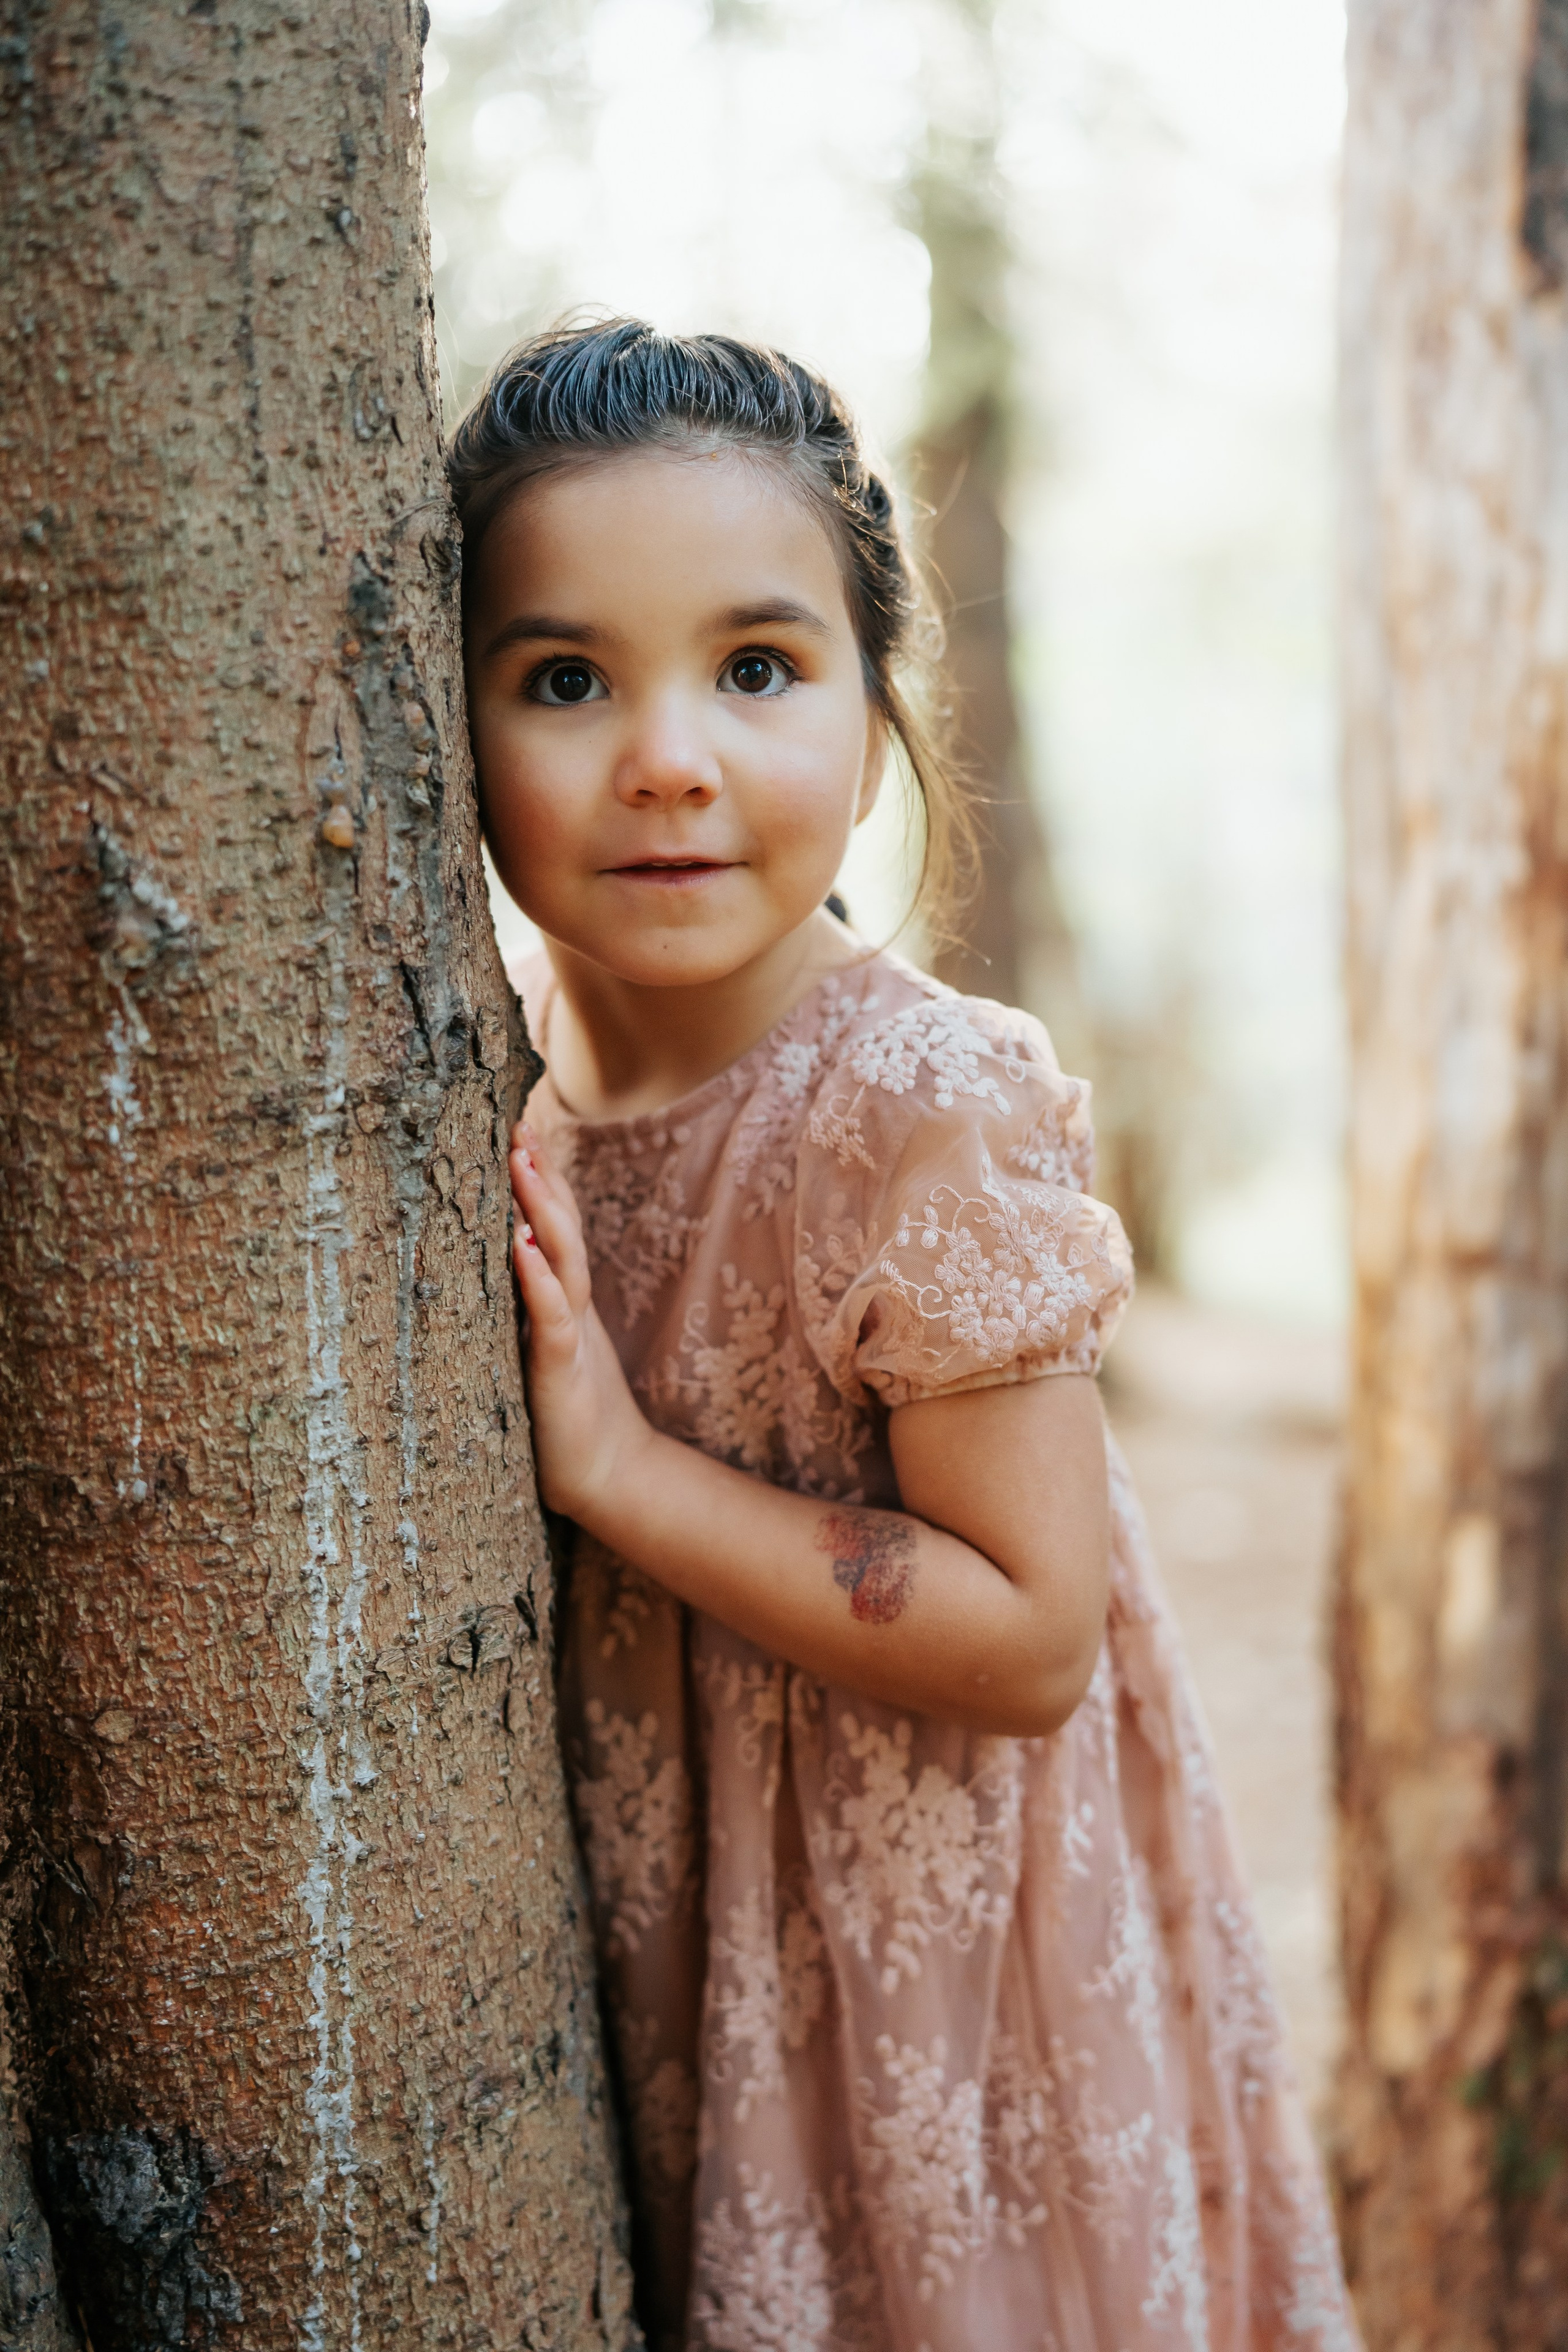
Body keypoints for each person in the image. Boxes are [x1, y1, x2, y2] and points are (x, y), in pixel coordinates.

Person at [448, 318, 1359, 2352]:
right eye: (566, 678)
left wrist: (621, 1472)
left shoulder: (918, 1102)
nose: (667, 756)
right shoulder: (495, 1094)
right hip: (685, 1946)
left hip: (941, 1989)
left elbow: (1032, 1636)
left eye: (756, 668)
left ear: (875, 731)